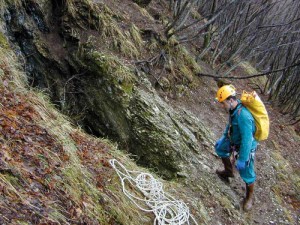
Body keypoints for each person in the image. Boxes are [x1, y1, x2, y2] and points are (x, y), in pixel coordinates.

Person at [214, 84, 257, 211]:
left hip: (246, 146)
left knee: (247, 173)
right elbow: (230, 125)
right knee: (220, 148)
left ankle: (249, 197)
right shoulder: (233, 110)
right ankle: (228, 171)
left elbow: (247, 140)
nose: (222, 106)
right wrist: (223, 137)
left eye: (223, 103)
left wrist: (243, 158)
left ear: (231, 100)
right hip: (233, 140)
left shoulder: (243, 115)